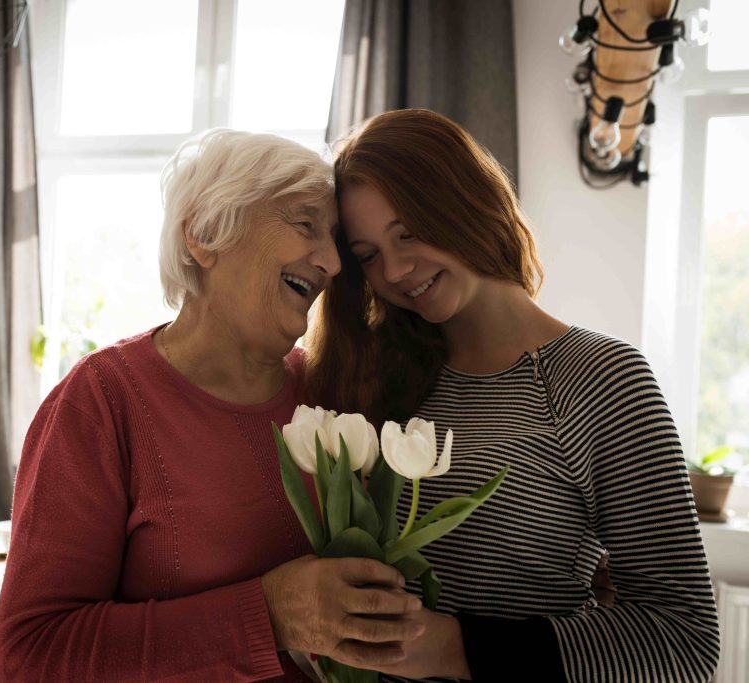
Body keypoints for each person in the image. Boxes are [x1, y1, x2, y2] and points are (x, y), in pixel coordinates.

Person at [0, 129, 431, 682]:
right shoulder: (100, 402)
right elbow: (30, 656)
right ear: (203, 234)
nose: (333, 263)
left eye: (337, 241)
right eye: (303, 225)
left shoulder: (330, 389)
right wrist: (268, 617)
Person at [307, 108, 721, 682]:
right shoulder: (373, 375)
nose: (397, 268)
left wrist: (451, 646)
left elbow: (684, 641)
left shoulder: (602, 379)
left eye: (409, 231)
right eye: (369, 254)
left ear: (466, 202)